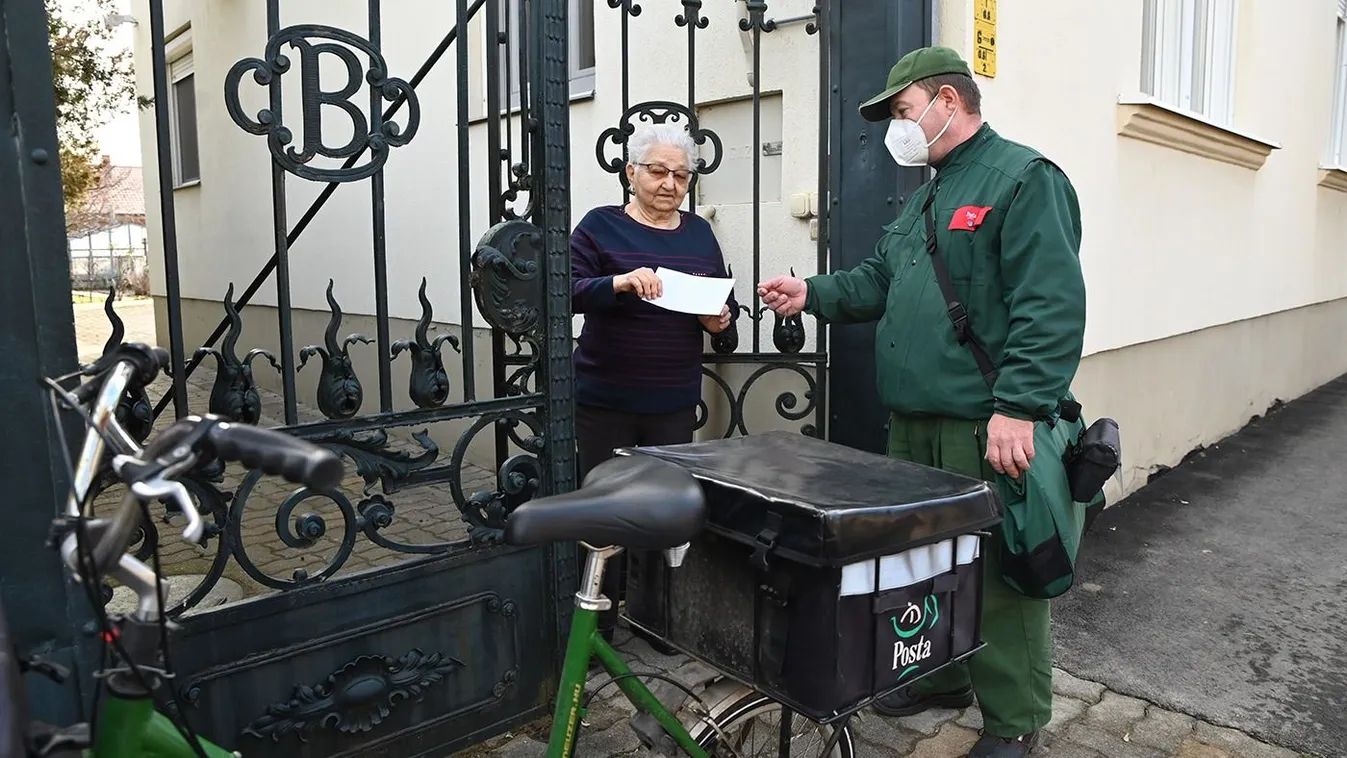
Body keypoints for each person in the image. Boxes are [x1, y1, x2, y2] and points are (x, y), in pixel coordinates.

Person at [758, 46, 1086, 757]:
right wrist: (809, 294)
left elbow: (1050, 306)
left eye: (903, 112)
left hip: (985, 426)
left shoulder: (1023, 179)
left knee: (1000, 576)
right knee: (929, 567)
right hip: (916, 425)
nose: (897, 129)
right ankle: (941, 678)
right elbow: (880, 279)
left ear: (946, 100)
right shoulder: (930, 195)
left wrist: (1021, 406)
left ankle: (1014, 720)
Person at [571, 122, 739, 648]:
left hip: (670, 398)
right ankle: (595, 623)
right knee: (602, 509)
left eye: (681, 175)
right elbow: (565, 292)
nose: (669, 183)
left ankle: (657, 616)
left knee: (662, 511)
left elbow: (716, 303)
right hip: (605, 395)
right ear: (631, 174)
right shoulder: (599, 227)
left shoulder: (698, 233)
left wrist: (719, 322)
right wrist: (618, 283)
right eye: (658, 171)